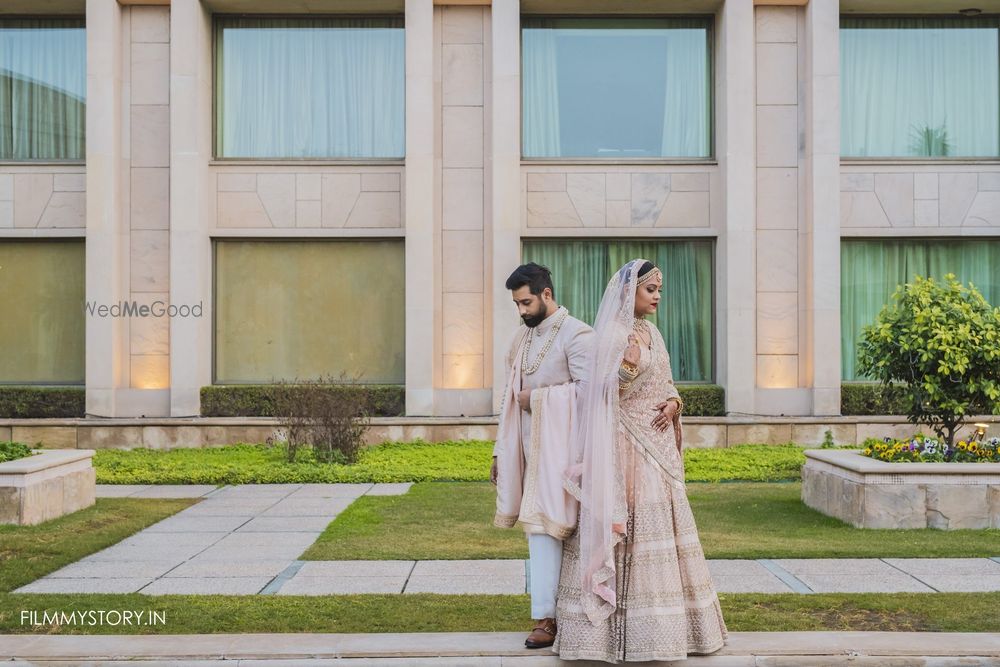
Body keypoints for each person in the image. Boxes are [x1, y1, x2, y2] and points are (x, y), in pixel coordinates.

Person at [554, 258, 728, 663]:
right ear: (628, 292)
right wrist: (629, 364)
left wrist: (673, 402)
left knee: (661, 532)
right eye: (651, 290)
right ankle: (610, 637)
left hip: (656, 446)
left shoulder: (652, 331)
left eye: (660, 290)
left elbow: (666, 379)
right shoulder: (612, 334)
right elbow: (601, 393)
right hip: (624, 446)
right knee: (625, 529)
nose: (658, 297)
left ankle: (670, 631)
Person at [491, 263, 594, 649]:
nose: (521, 310)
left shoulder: (578, 335)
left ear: (546, 294)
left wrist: (537, 399)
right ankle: (546, 616)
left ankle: (561, 617)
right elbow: (508, 398)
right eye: (517, 304)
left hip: (567, 454)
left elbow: (592, 395)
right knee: (538, 532)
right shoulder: (523, 337)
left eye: (526, 302)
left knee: (556, 531)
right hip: (528, 449)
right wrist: (501, 453)